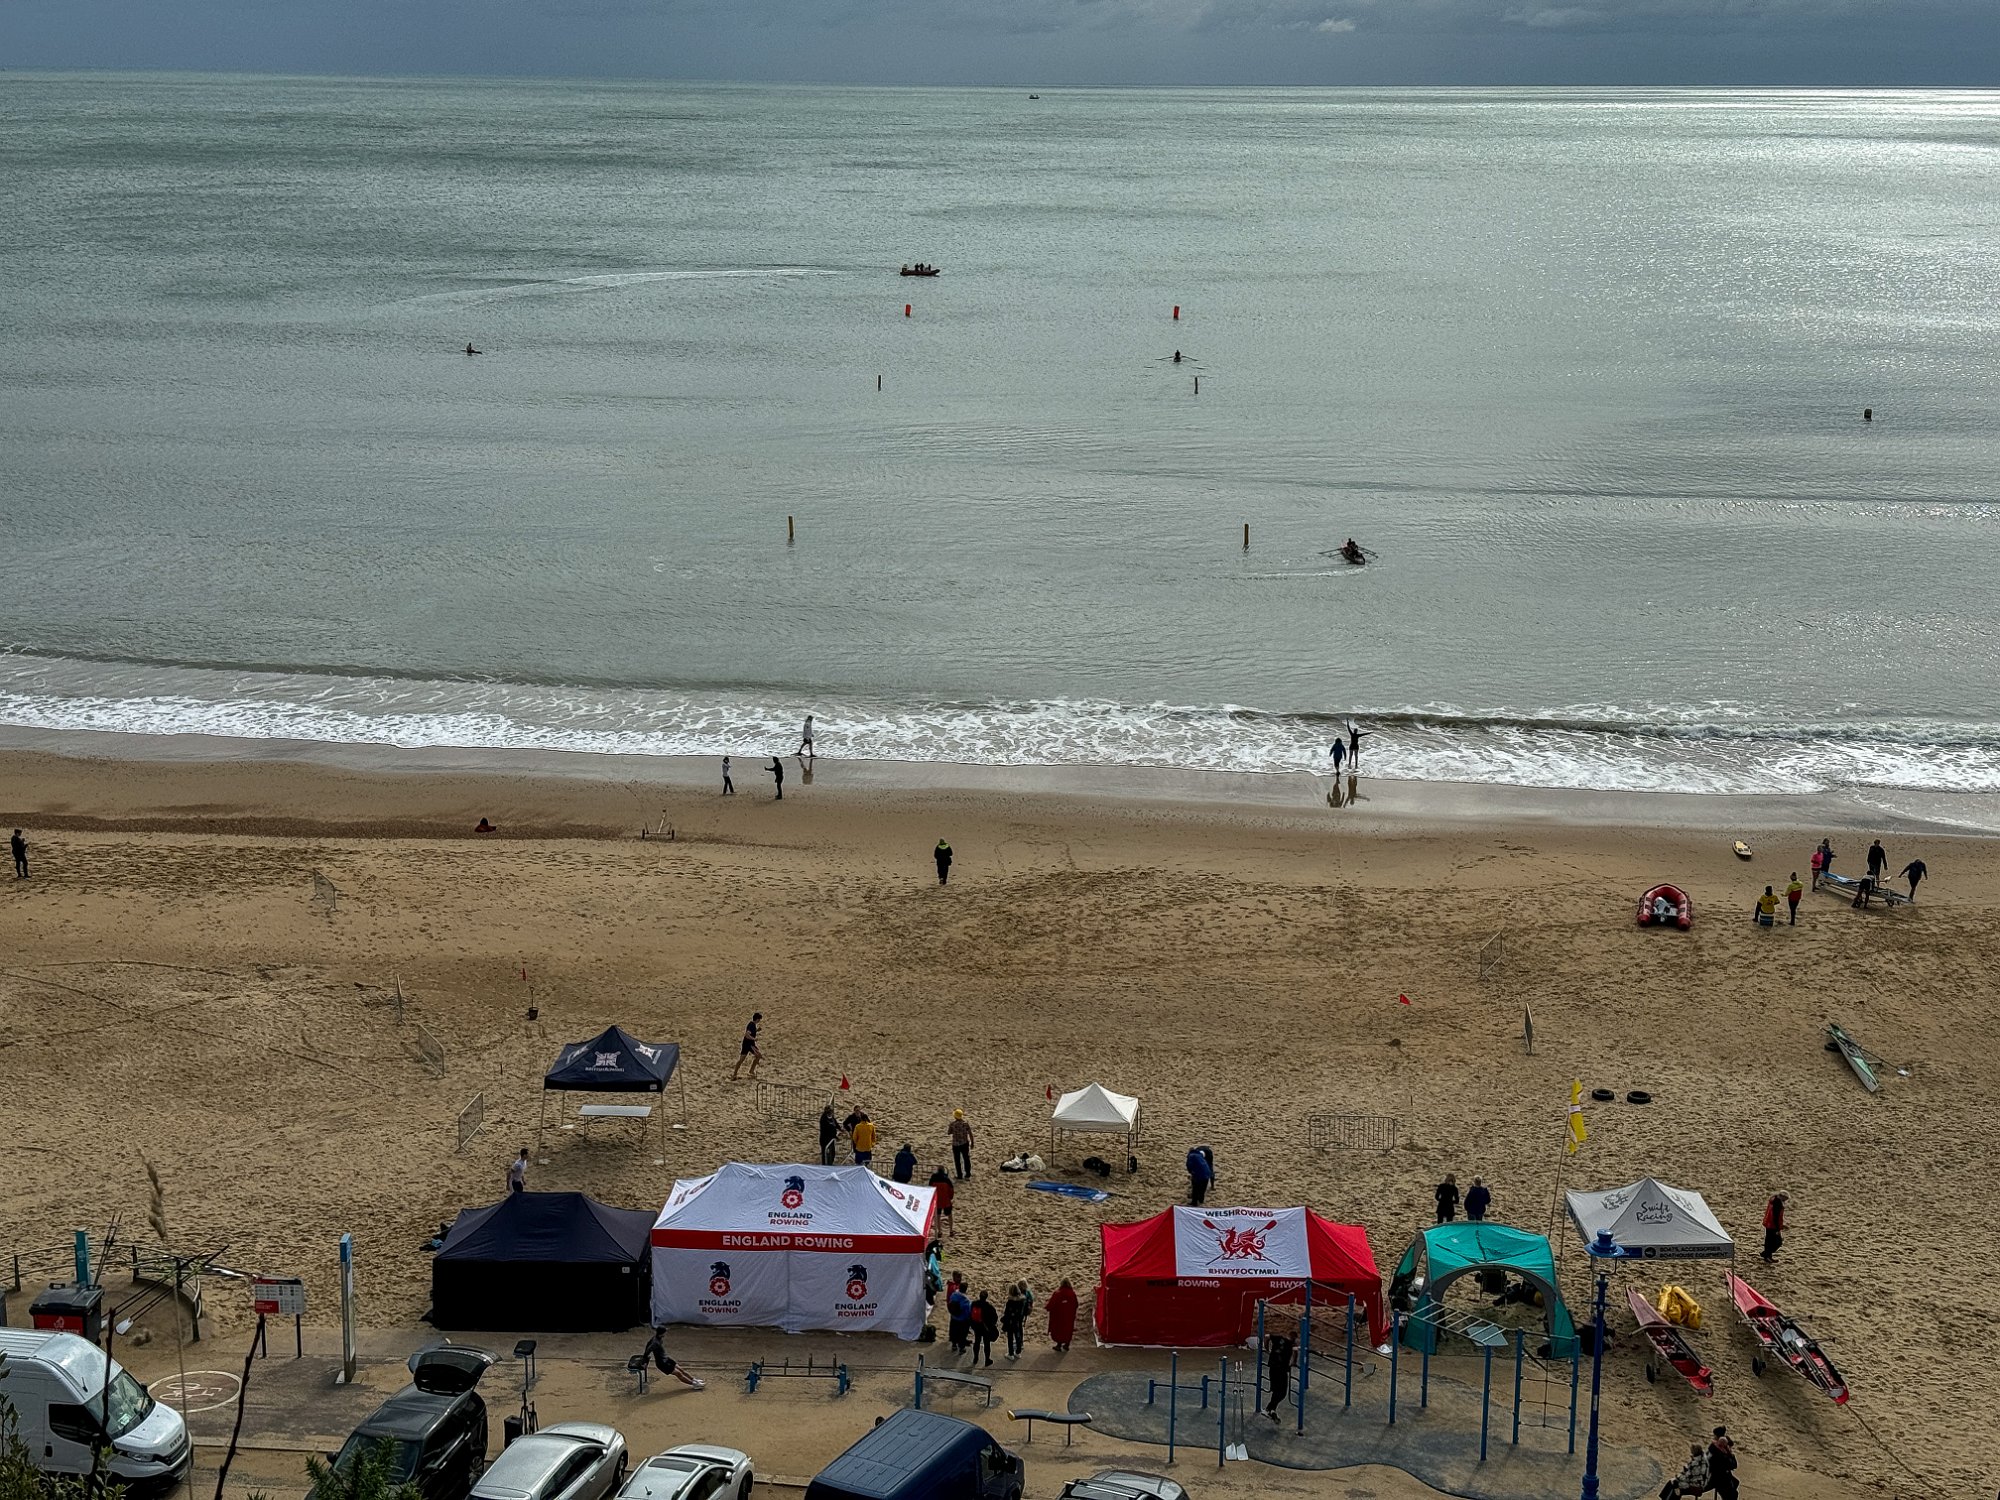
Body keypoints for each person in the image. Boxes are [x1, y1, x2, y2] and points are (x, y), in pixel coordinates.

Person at [641, 1326, 706, 1390]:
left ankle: (694, 1380)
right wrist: (644, 1360)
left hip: (666, 1359)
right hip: (662, 1364)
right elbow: (647, 1351)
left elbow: (647, 1344)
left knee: (681, 1370)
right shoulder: (655, 1343)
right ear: (662, 1333)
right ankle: (694, 1384)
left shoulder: (656, 1338)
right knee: (678, 1374)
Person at [1264, 1331, 1296, 1420]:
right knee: (1282, 1392)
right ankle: (1271, 1408)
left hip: (1273, 1368)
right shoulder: (1291, 1345)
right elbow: (1295, 1352)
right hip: (1282, 1370)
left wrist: (1266, 1349)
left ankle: (1271, 1409)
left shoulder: (1278, 1338)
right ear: (1293, 1338)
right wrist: (1293, 1362)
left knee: (1276, 1390)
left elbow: (1266, 1336)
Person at [1046, 1278, 1078, 1352]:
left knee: (1059, 1329)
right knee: (1068, 1329)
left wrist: (1048, 1308)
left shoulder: (1057, 1293)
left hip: (1059, 1316)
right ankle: (1067, 1344)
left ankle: (1059, 1345)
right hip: (1069, 1316)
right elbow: (1076, 1304)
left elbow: (1051, 1304)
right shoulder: (1072, 1293)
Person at [1707, 1427, 1739, 1500]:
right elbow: (1732, 1465)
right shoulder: (1719, 1450)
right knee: (1731, 1495)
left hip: (1720, 1476)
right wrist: (1730, 1455)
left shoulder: (1714, 1447)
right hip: (1718, 1477)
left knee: (1735, 1485)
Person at [731, 1012, 763, 1080]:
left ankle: (734, 1074)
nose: (759, 1021)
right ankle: (751, 1071)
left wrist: (757, 1030)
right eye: (759, 1019)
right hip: (749, 1044)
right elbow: (747, 1035)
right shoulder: (751, 1025)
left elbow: (751, 1032)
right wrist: (754, 1039)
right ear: (757, 1019)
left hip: (746, 1044)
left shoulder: (752, 1025)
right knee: (758, 1056)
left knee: (741, 1060)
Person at [970, 1291, 998, 1366]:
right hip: (985, 1328)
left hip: (977, 1326)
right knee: (986, 1344)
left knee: (977, 1342)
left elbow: (970, 1315)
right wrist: (991, 1326)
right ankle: (987, 1360)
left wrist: (972, 1325)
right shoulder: (989, 1306)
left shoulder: (974, 1304)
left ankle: (975, 1358)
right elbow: (995, 1318)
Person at [1002, 1283, 1029, 1359]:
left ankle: (1011, 1353)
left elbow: (1007, 1313)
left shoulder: (1010, 1302)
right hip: (1018, 1320)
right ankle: (1018, 1352)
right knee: (1018, 1336)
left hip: (1011, 1321)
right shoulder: (1022, 1300)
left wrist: (1004, 1321)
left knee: (1010, 1337)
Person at [946, 1283, 972, 1354]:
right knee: (962, 1334)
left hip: (954, 1317)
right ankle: (961, 1348)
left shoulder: (954, 1295)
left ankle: (954, 1345)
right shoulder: (965, 1299)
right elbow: (967, 1311)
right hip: (962, 1319)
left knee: (954, 1332)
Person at [929, 1166, 955, 1236]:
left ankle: (939, 1231)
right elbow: (951, 1191)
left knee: (937, 1215)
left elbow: (930, 1189)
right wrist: (950, 1198)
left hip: (937, 1200)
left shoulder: (933, 1179)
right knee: (949, 1215)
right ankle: (951, 1230)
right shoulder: (947, 1180)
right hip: (946, 1201)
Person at [1761, 1191, 1787, 1263]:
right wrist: (1778, 1229)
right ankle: (1766, 1254)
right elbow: (1776, 1217)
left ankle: (1767, 1255)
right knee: (1777, 1242)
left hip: (1768, 1224)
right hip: (1772, 1226)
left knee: (1769, 1241)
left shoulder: (1773, 1200)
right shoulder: (1777, 1204)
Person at [949, 1110, 975, 1179]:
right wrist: (972, 1142)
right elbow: (970, 1134)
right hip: (964, 1143)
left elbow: (949, 1132)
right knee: (966, 1158)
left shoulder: (952, 1124)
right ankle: (968, 1174)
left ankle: (959, 1175)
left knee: (957, 1160)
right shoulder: (965, 1124)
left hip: (956, 1144)